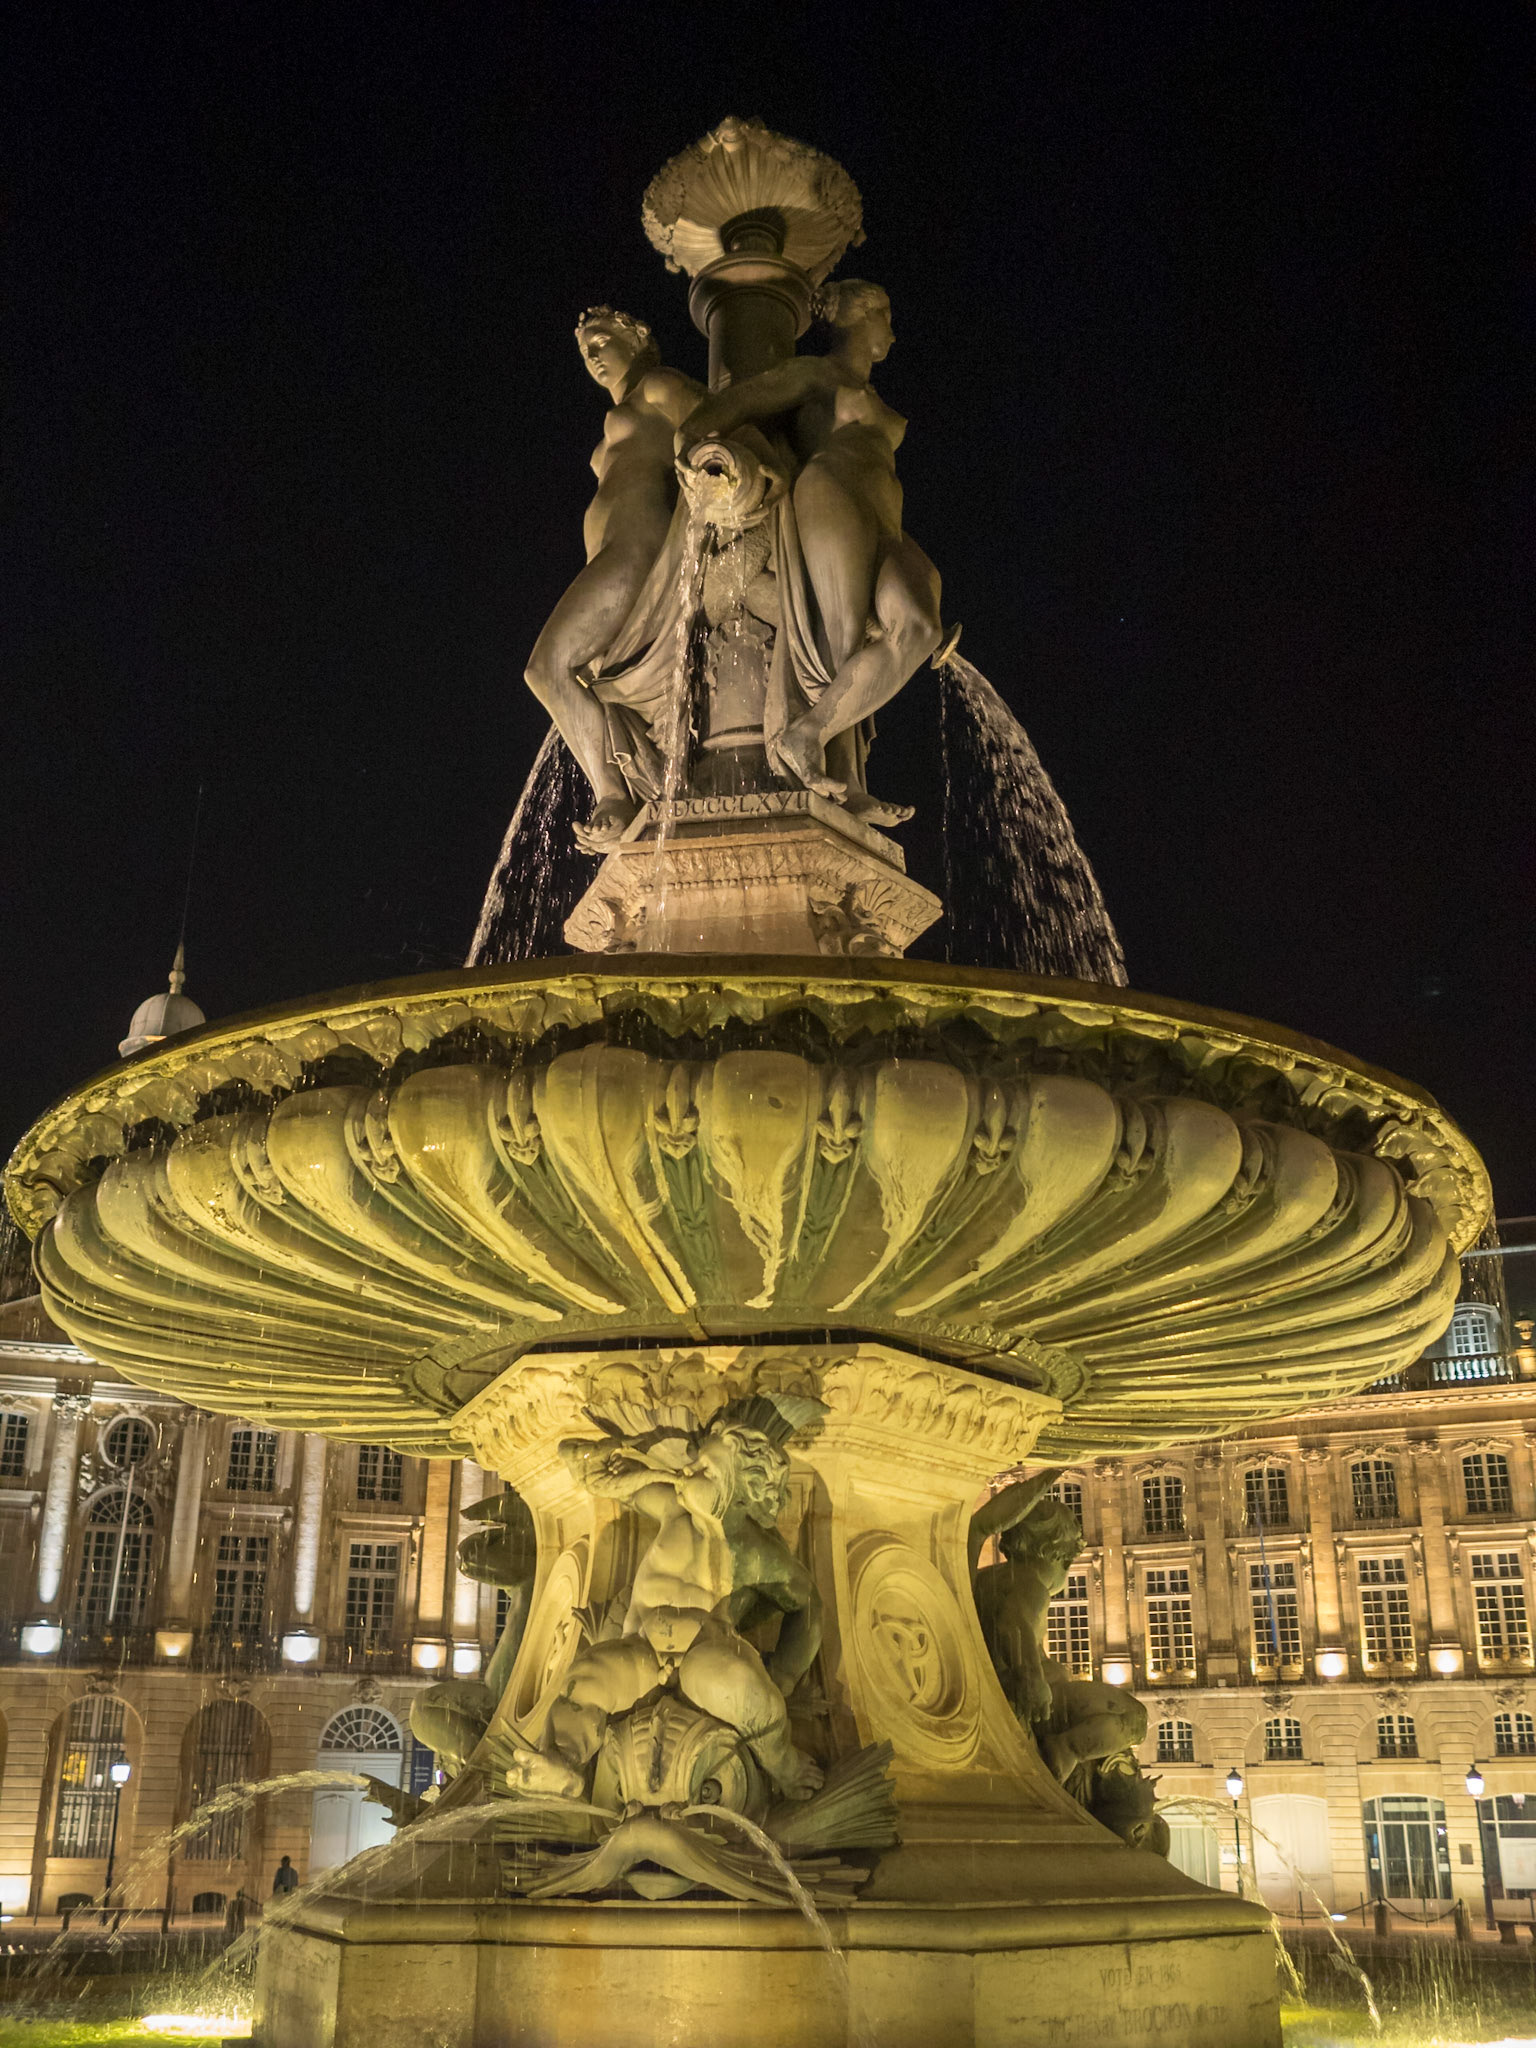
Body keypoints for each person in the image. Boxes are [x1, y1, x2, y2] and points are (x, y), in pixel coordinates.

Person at [675, 280, 943, 819]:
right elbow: (727, 408)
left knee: (920, 626)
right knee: (840, 640)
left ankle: (808, 733)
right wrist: (699, 457)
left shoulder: (874, 399)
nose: (890, 330)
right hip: (831, 492)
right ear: (856, 317)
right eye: (883, 315)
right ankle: (846, 784)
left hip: (885, 517)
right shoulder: (817, 375)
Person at [507, 1399, 825, 1803]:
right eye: (692, 1466)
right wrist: (594, 1463)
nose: (688, 1473)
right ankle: (561, 1766)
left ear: (743, 1487)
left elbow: (809, 1607)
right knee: (586, 1678)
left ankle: (782, 1761)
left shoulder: (756, 1552)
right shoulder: (673, 1508)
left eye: (704, 1471)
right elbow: (603, 1480)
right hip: (640, 1648)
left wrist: (783, 1678)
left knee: (738, 1685)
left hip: (703, 1655)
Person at [523, 308, 705, 850]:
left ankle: (613, 797)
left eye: (602, 341)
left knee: (547, 669)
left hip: (638, 551)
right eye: (586, 351)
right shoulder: (622, 415)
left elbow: (713, 421)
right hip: (609, 556)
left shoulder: (657, 386)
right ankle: (619, 792)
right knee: (555, 673)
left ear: (640, 335)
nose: (594, 356)